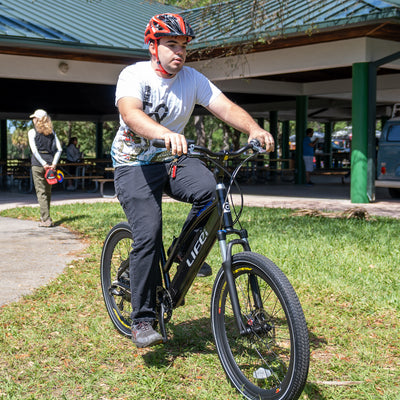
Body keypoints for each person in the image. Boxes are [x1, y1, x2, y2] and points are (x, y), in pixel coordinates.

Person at [111, 13, 275, 348]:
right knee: (148, 230)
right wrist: (166, 134)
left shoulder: (192, 79)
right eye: (171, 45)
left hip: (172, 160)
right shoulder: (134, 75)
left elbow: (225, 107)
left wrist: (254, 128)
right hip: (133, 164)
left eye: (184, 46)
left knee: (214, 196)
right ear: (153, 46)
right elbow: (131, 113)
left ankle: (183, 254)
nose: (179, 52)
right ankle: (142, 318)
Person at [28, 109, 62, 227]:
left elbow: (34, 151)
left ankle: (46, 219)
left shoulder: (32, 132)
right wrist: (54, 163)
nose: (33, 120)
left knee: (41, 192)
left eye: (34, 118)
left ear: (38, 119)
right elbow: (59, 149)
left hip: (38, 165)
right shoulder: (52, 132)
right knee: (48, 192)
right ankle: (45, 216)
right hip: (50, 164)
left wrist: (43, 163)